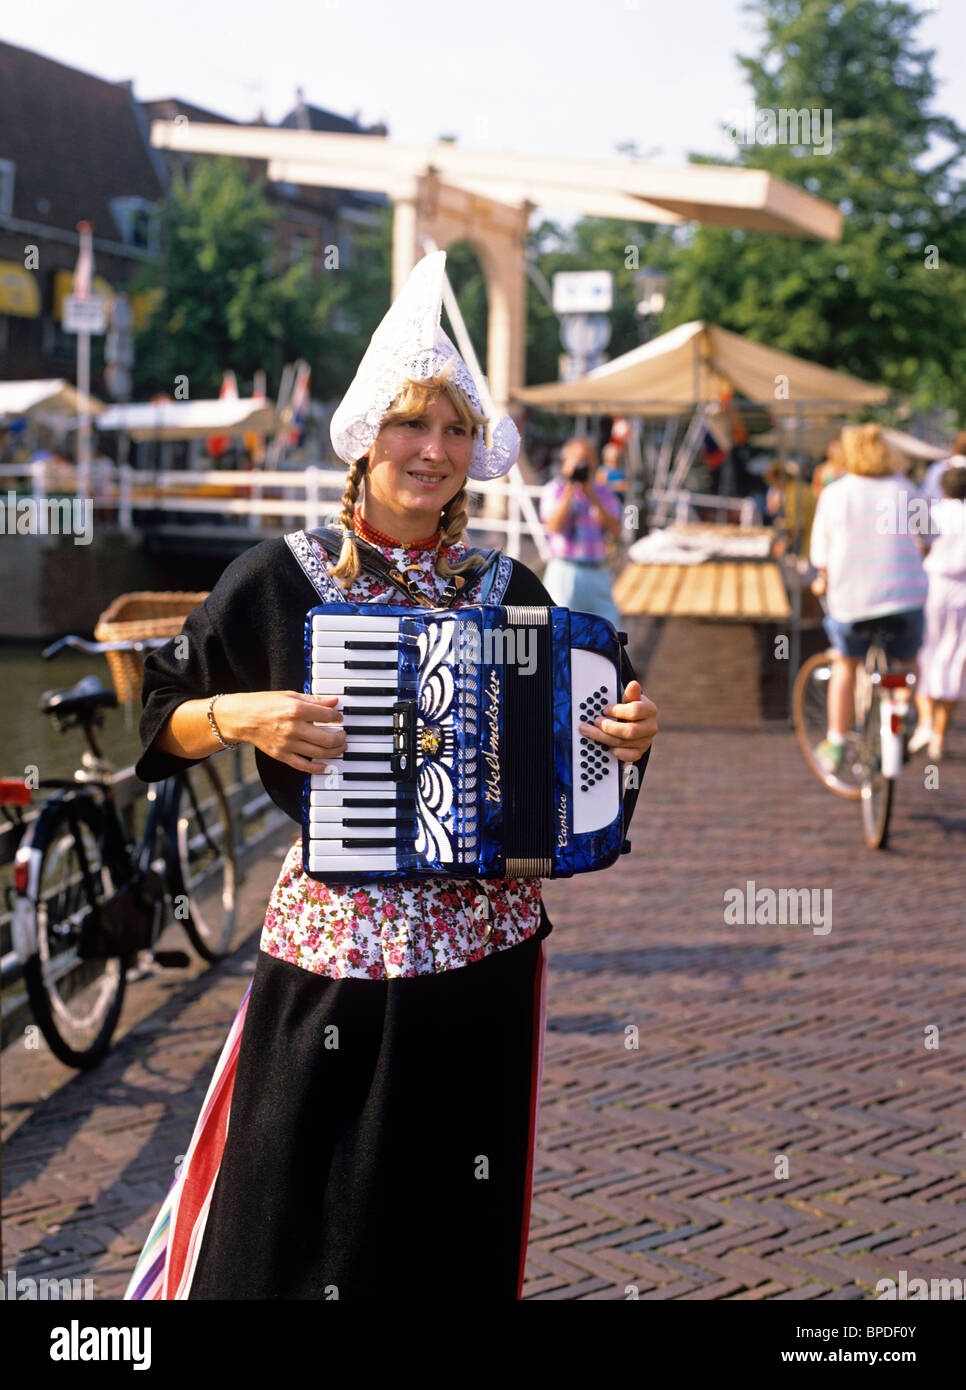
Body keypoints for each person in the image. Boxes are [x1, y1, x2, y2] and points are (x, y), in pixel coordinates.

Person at [123, 252, 658, 1302]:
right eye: (415, 424)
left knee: (448, 1232)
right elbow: (158, 721)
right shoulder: (277, 579)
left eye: (457, 430)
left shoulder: (511, 589)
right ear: (368, 435)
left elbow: (597, 727)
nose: (435, 450)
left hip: (481, 958)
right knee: (283, 1219)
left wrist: (629, 730)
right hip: (333, 951)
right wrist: (242, 714)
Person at [809, 423, 927, 775]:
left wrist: (823, 579)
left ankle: (836, 742)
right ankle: (905, 709)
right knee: (907, 659)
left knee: (846, 664)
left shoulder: (835, 493)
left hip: (853, 601)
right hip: (906, 598)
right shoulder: (907, 489)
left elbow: (820, 556)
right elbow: (930, 536)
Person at [908, 460, 966, 761]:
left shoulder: (935, 513)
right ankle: (938, 735)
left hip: (934, 586)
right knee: (955, 661)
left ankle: (926, 721)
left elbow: (920, 544)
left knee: (927, 654)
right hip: (963, 592)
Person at [540, 438, 623, 627]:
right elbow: (554, 526)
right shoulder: (554, 490)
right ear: (565, 463)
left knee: (611, 631)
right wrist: (570, 489)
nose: (584, 464)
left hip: (597, 571)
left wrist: (591, 494)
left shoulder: (604, 493)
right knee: (558, 632)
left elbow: (616, 530)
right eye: (578, 459)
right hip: (564, 571)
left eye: (588, 459)